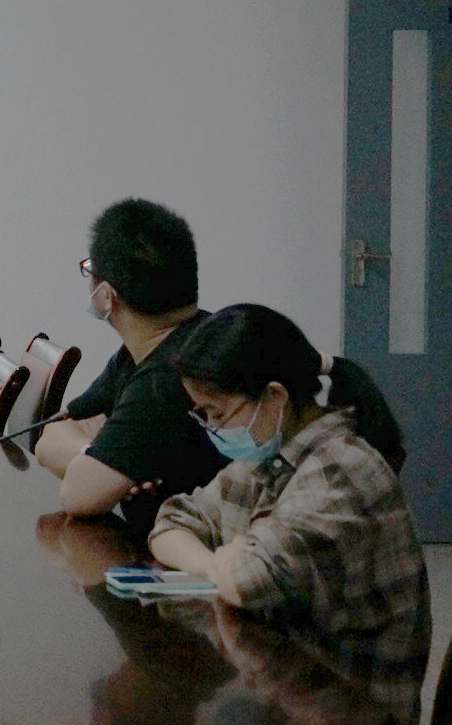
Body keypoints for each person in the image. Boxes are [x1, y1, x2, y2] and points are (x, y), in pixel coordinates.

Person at [149, 304, 429, 713]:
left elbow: (245, 581)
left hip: (350, 711)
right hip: (288, 694)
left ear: (275, 397)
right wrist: (214, 566)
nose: (213, 429)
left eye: (218, 414)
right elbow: (172, 519)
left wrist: (228, 569)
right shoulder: (268, 459)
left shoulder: (340, 470)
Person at [34, 198, 227, 531]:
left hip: (186, 554)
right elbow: (53, 432)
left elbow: (78, 495)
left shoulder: (165, 378)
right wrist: (97, 455)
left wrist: (100, 464)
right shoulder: (154, 349)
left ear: (106, 296)